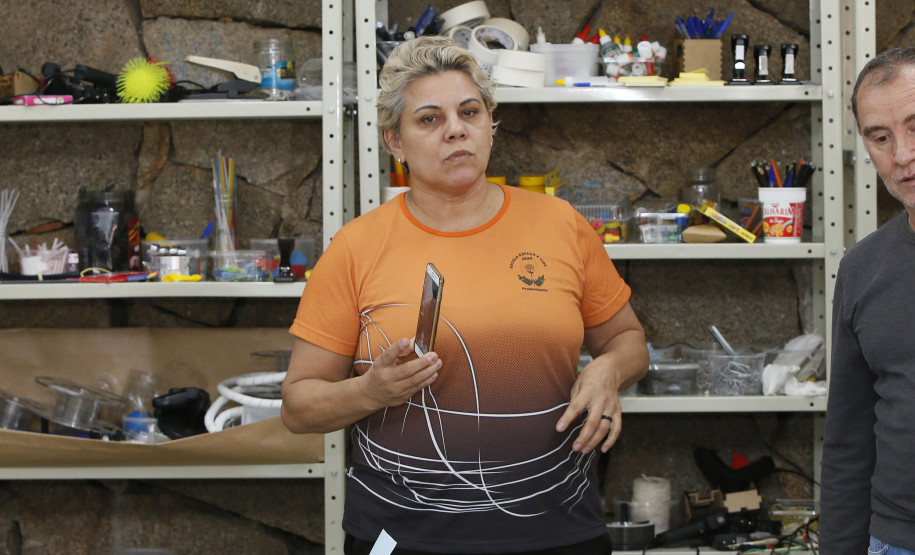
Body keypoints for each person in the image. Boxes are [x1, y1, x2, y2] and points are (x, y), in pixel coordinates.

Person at [281, 35, 648, 554]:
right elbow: (298, 407)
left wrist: (608, 370)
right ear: (395, 142)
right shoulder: (357, 247)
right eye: (429, 119)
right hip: (401, 537)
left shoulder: (559, 224)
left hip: (556, 528)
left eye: (470, 112)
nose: (455, 129)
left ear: (490, 123)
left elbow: (630, 340)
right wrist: (370, 392)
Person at [821, 46, 915, 554]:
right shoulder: (862, 269)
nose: (901, 155)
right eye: (881, 137)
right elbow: (848, 443)